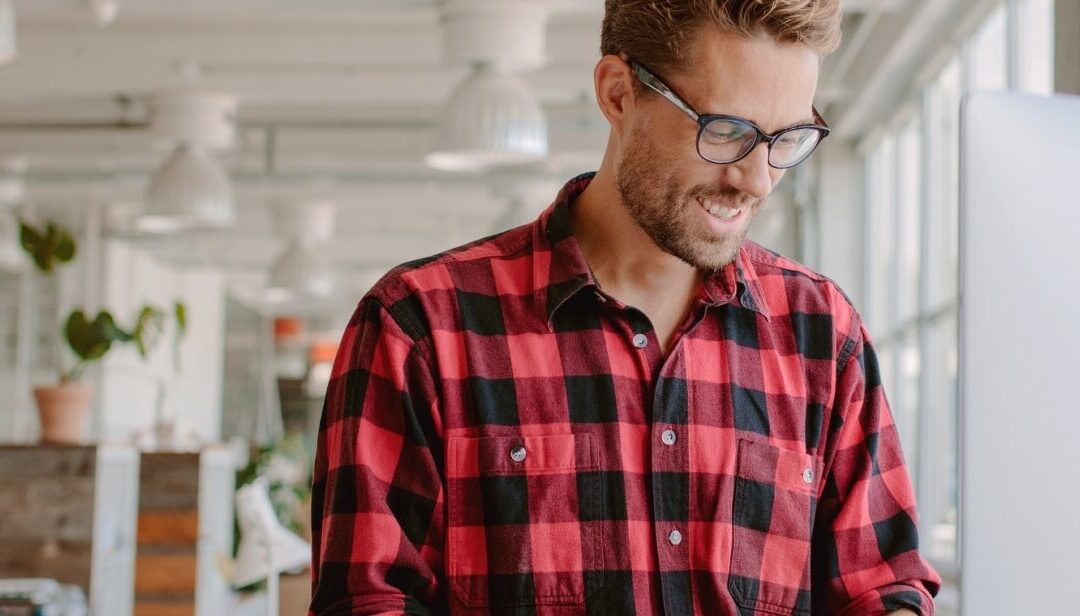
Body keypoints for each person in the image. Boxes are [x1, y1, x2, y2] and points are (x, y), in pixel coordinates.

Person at [309, 1, 941, 614]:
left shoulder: (821, 334)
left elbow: (881, 586)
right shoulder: (420, 327)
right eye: (726, 131)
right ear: (617, 94)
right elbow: (368, 599)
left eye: (788, 137)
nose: (756, 178)